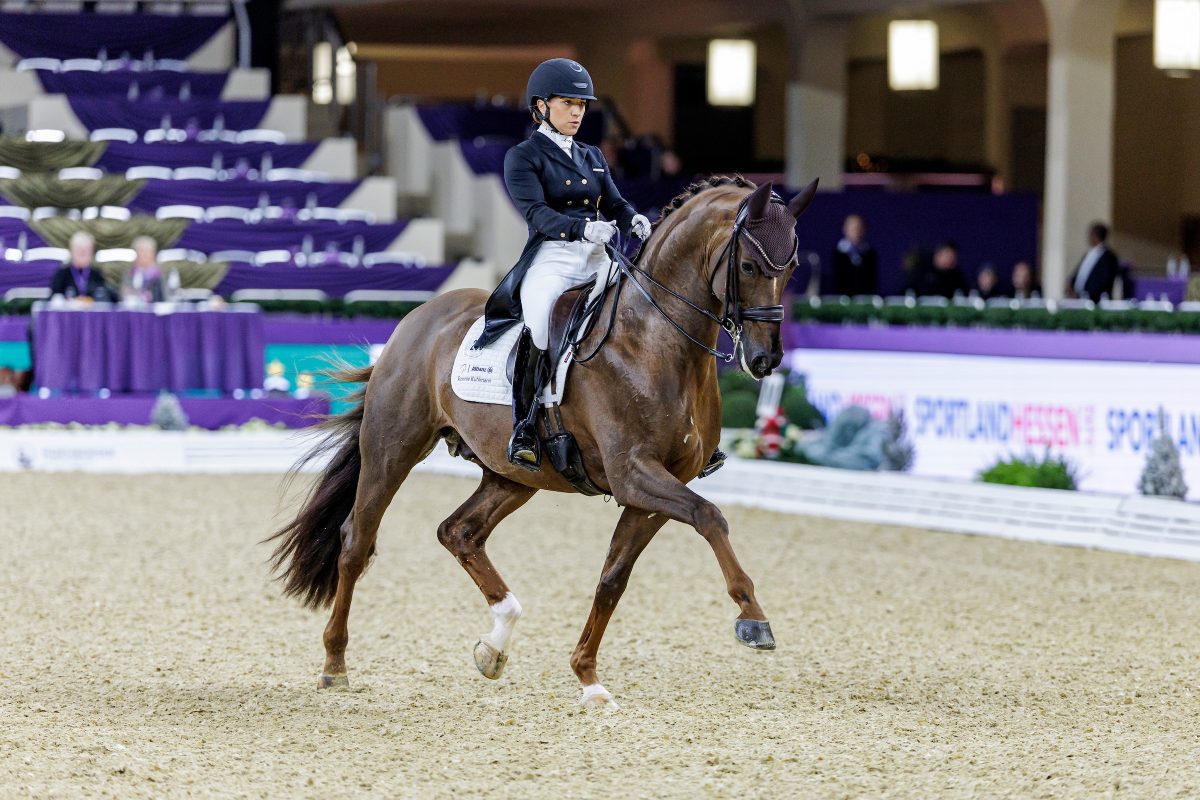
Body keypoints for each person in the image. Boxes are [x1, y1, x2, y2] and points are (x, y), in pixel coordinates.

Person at [472, 58, 652, 471]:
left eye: (582, 105)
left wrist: (632, 218)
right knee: (537, 323)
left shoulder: (591, 155)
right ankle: (524, 427)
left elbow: (615, 202)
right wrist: (582, 230)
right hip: (553, 257)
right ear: (540, 107)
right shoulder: (523, 156)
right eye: (568, 103)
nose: (577, 112)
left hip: (598, 256)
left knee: (646, 309)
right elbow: (535, 213)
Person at [49, 231, 116, 301]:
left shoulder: (97, 275)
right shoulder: (62, 275)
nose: (82, 252)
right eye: (79, 249)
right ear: (71, 250)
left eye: (86, 249)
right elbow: (53, 300)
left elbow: (108, 298)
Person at [1068, 221, 1120, 303]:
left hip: (1095, 301)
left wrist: (1086, 293)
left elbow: (1103, 280)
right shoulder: (1088, 254)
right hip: (1079, 299)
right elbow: (1080, 273)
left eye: (1090, 234)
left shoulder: (1109, 257)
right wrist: (1071, 285)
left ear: (1096, 236)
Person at [829, 214, 877, 296]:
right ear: (845, 229)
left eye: (859, 228)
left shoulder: (870, 254)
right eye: (853, 228)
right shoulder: (836, 254)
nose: (856, 231)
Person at [120, 236, 165, 303]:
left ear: (153, 253)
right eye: (141, 251)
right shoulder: (129, 273)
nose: (144, 254)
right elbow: (122, 294)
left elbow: (166, 295)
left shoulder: (162, 273)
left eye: (148, 251)